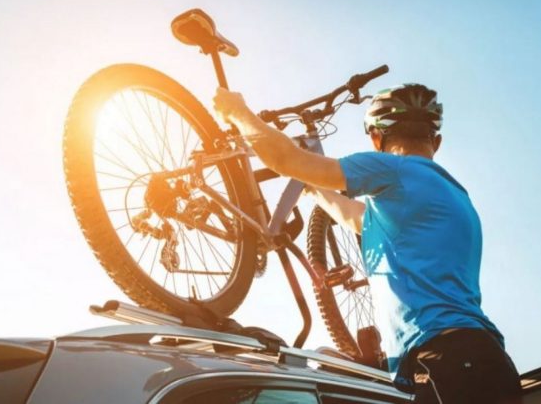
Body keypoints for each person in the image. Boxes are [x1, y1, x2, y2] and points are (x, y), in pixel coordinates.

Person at [213, 83, 522, 403]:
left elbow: (284, 158)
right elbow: (356, 217)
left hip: (448, 360)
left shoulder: (395, 169)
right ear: (436, 141)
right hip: (483, 360)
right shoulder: (452, 196)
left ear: (376, 138)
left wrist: (238, 112)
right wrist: (315, 188)